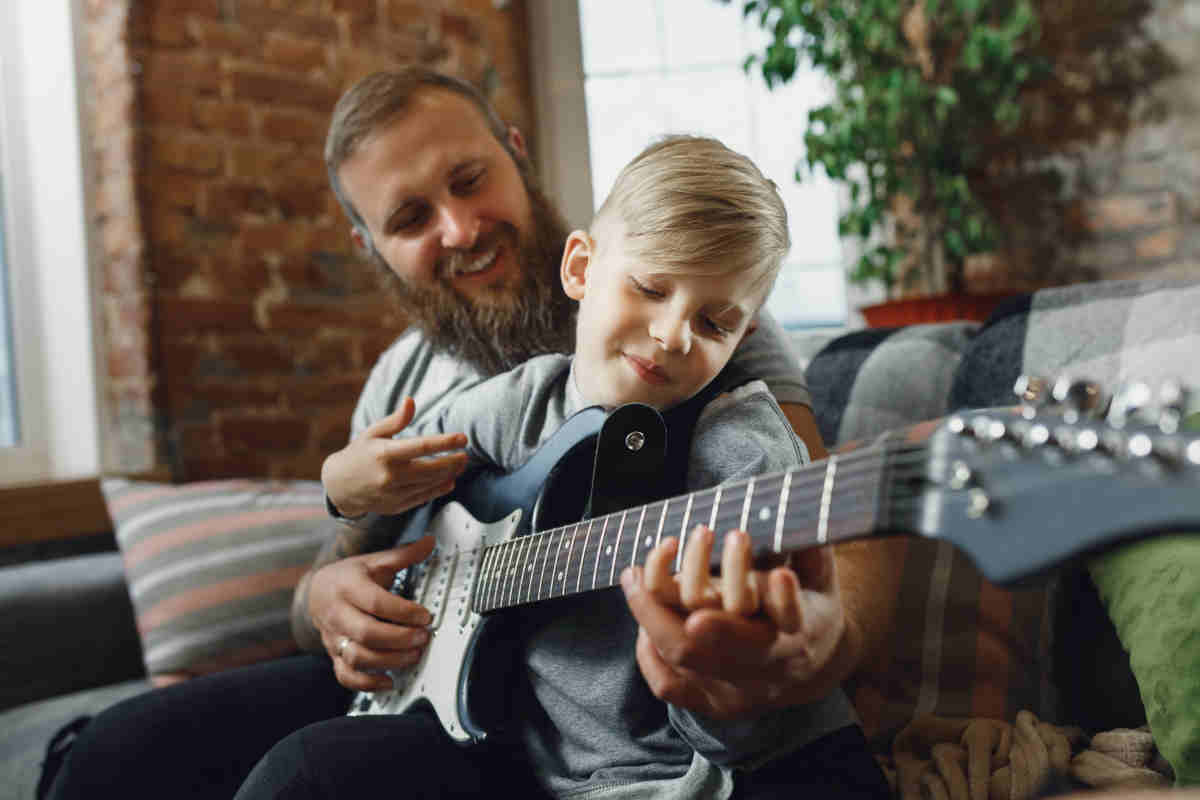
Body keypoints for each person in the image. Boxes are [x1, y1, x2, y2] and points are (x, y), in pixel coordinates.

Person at [43, 67, 897, 799]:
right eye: (410, 218)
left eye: (468, 179)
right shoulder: (403, 379)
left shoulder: (696, 329)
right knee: (111, 755)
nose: (458, 228)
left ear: (517, 154)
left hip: (536, 722)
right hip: (412, 667)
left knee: (309, 775)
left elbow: (817, 513)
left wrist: (822, 643)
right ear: (370, 245)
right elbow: (337, 558)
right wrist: (326, 593)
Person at [233, 133, 886, 799]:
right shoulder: (523, 398)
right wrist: (345, 485)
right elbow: (407, 460)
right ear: (580, 268)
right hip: (517, 748)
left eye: (714, 324)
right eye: (651, 288)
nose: (672, 334)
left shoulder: (745, 457)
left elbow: (747, 731)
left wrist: (720, 679)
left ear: (744, 337)